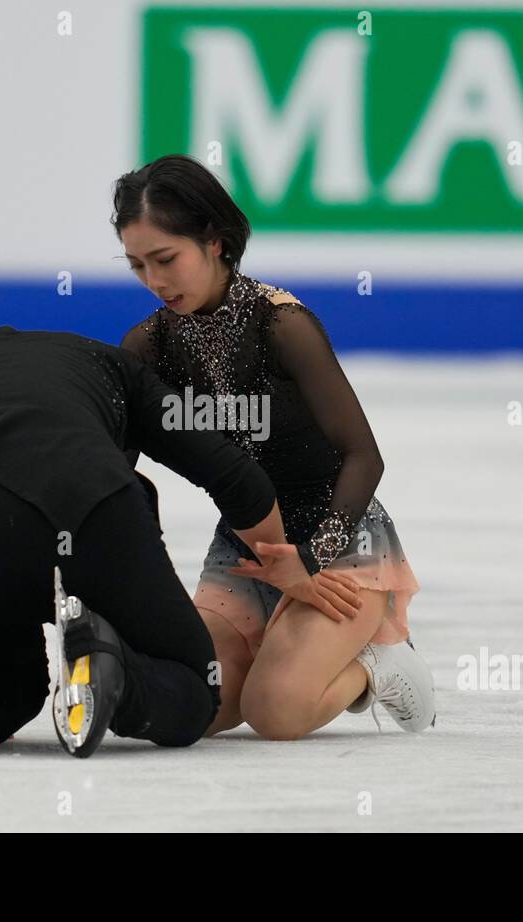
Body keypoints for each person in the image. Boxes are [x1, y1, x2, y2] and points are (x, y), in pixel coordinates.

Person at [0, 318, 361, 756]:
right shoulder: (114, 368)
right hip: (87, 510)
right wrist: (281, 568)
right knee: (195, 693)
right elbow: (239, 480)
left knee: (2, 707)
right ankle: (114, 668)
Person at [113, 154, 437, 740]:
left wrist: (310, 558)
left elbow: (365, 455)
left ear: (214, 241)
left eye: (166, 259)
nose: (155, 281)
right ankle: (285, 647)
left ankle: (377, 666)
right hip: (245, 547)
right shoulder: (148, 346)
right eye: (137, 266)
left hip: (337, 545)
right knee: (195, 704)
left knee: (276, 711)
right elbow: (112, 471)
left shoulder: (282, 327)